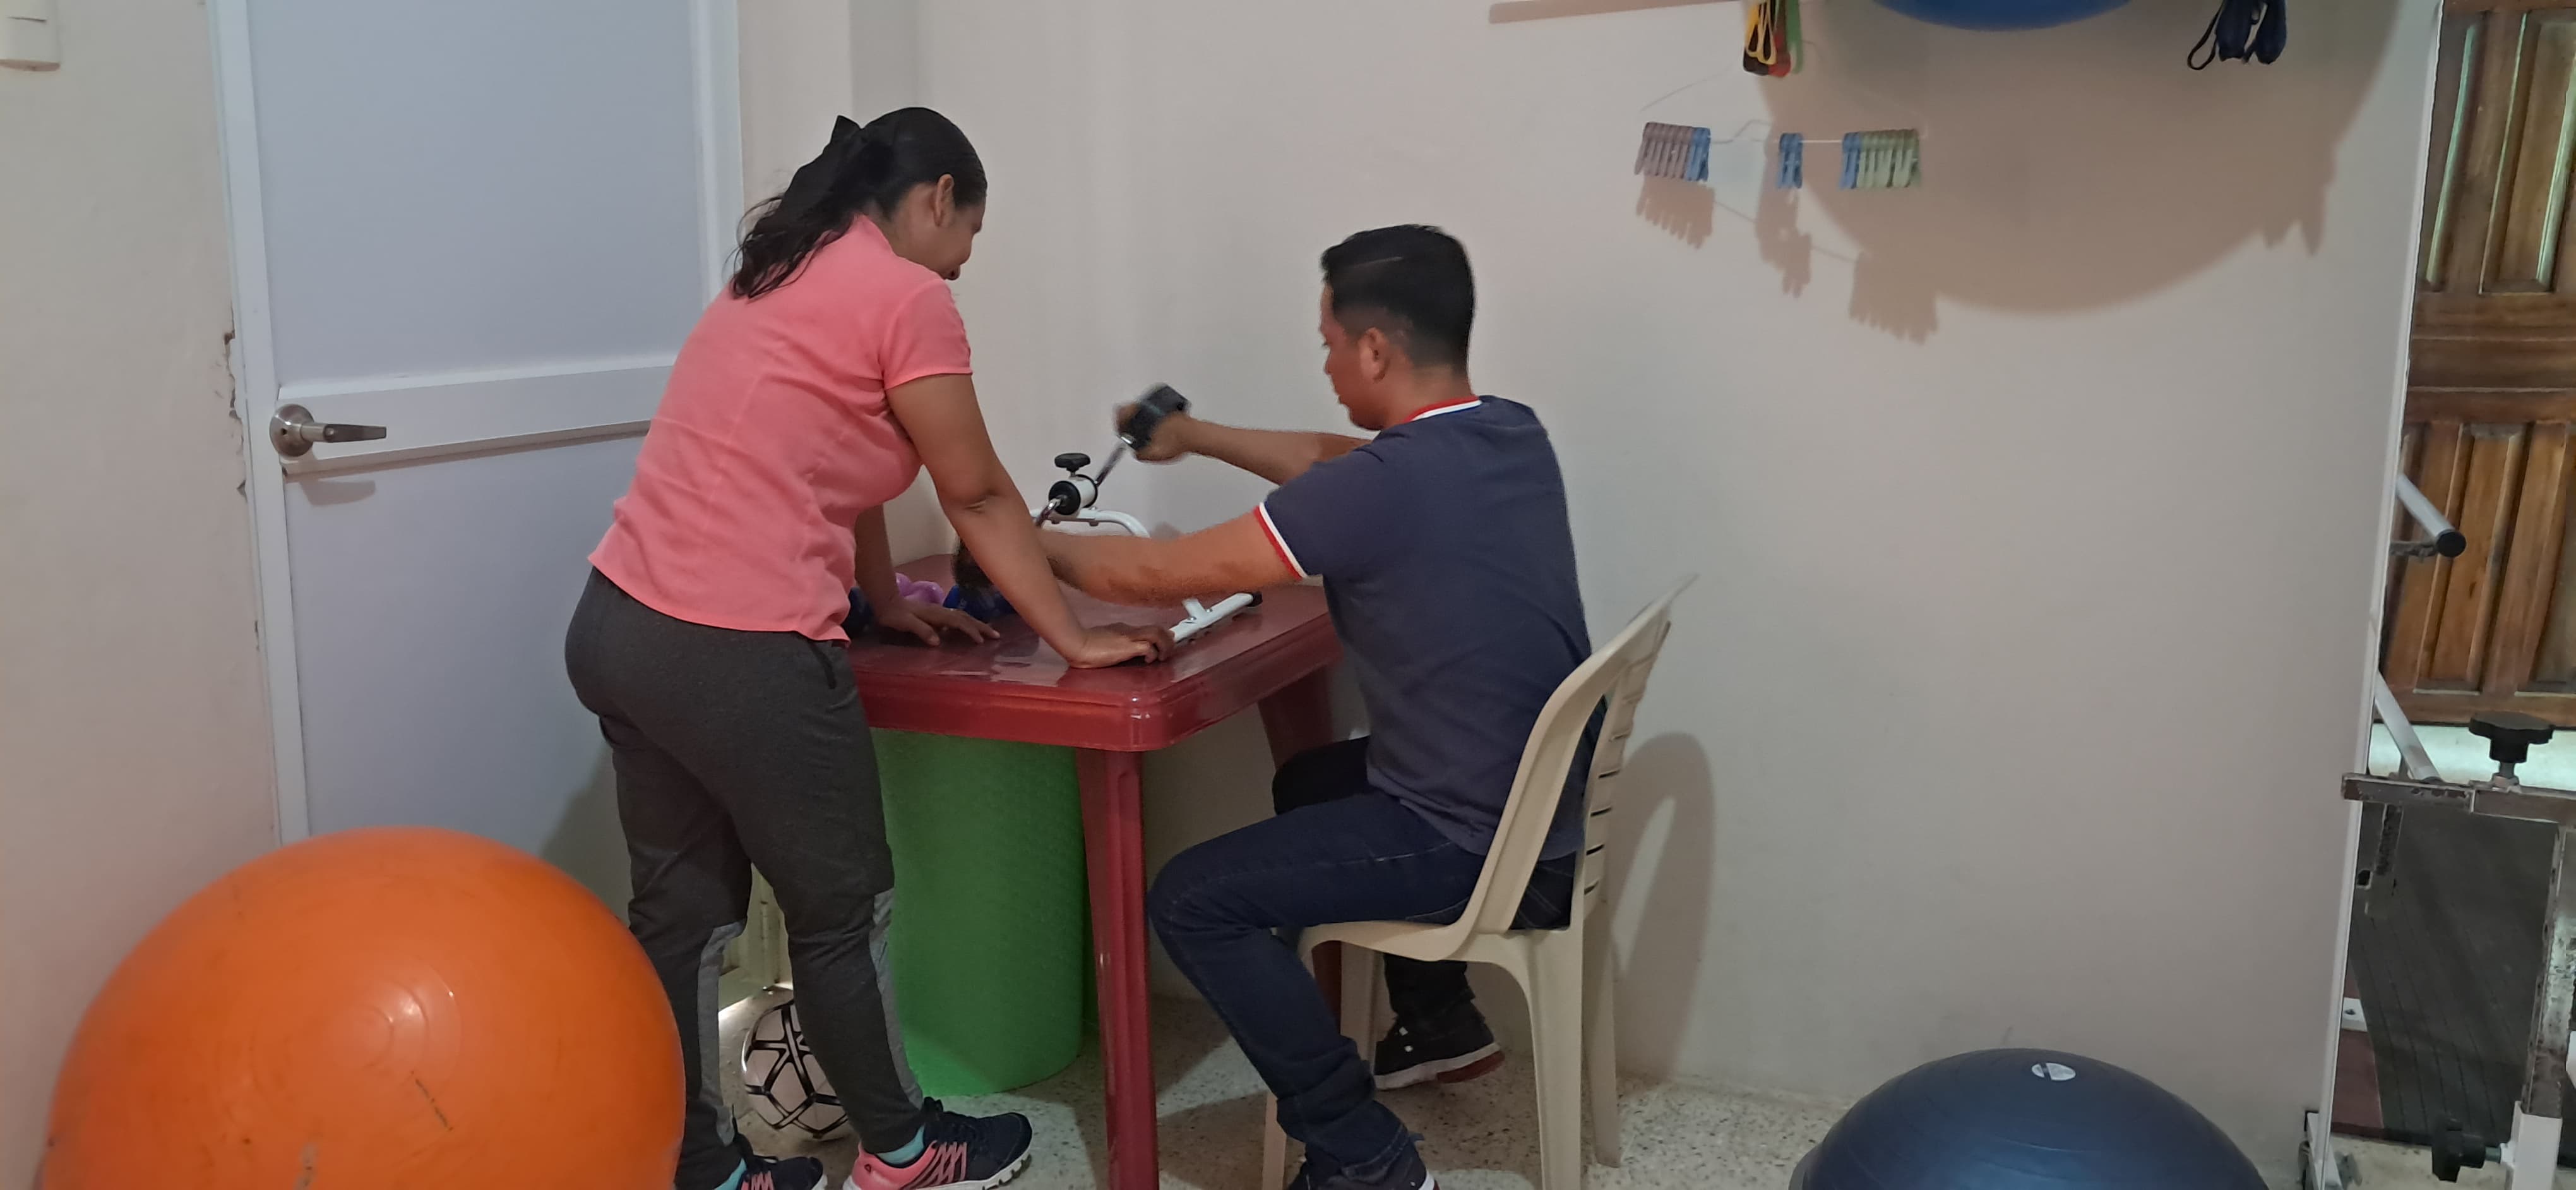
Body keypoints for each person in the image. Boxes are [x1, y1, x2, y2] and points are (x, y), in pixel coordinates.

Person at [564, 108, 1167, 1190]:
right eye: (970, 232)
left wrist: (881, 598)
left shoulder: (782, 269)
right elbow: (976, 492)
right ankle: (903, 1153)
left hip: (622, 625)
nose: (965, 261)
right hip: (742, 652)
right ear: (937, 198)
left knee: (683, 917)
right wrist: (1074, 637)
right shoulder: (907, 296)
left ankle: (704, 1171)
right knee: (843, 913)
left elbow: (827, 457)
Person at [1041, 225, 1598, 1190]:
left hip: (1479, 845)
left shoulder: (1383, 488)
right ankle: (1440, 1022)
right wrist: (1197, 437)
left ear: (1375, 348)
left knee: (1193, 900)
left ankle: (1361, 1152)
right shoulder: (1508, 433)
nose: (1329, 364)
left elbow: (1152, 574)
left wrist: (1012, 536)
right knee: (1309, 780)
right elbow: (1330, 463)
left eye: (1331, 344)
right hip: (1540, 820)